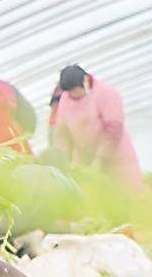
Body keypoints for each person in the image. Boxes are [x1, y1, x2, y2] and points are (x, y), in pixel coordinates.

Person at [49, 65, 144, 193]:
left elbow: (113, 130)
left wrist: (100, 159)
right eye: (70, 92)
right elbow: (62, 133)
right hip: (85, 159)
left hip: (115, 158)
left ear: (85, 81)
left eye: (76, 91)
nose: (74, 95)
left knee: (126, 195)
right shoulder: (65, 99)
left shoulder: (106, 93)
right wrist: (64, 159)